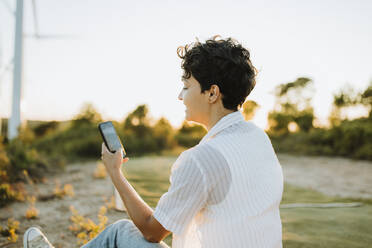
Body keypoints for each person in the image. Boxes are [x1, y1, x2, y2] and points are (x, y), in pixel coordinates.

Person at [23, 35, 283, 248]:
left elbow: (152, 231)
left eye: (187, 86)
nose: (180, 96)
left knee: (120, 233)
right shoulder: (259, 138)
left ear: (212, 92)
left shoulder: (202, 159)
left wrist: (115, 173)